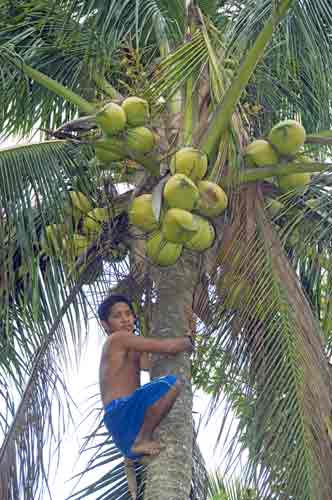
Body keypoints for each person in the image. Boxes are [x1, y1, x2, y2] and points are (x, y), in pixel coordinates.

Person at [98, 294, 194, 461]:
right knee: (170, 384)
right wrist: (189, 340)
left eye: (128, 314)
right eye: (117, 316)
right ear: (105, 325)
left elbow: (150, 365)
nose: (125, 319)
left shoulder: (128, 346)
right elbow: (168, 347)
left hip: (125, 424)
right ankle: (142, 439)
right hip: (121, 411)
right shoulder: (118, 339)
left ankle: (140, 440)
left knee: (164, 385)